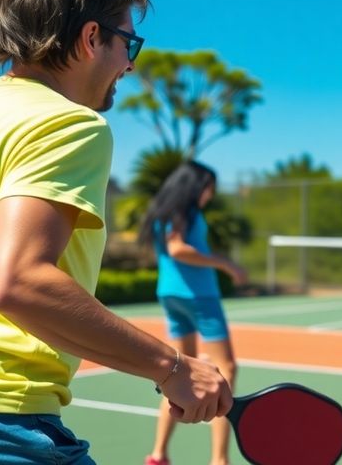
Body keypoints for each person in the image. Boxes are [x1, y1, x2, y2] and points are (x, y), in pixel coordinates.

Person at [0, 0, 232, 463]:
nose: (130, 64)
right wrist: (172, 367)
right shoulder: (68, 124)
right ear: (92, 38)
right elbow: (18, 280)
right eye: (128, 43)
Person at [139, 161, 247, 465]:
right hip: (199, 295)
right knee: (227, 370)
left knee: (176, 371)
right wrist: (225, 263)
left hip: (170, 294)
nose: (210, 195)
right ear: (196, 185)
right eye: (209, 187)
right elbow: (178, 249)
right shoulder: (185, 212)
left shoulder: (164, 210)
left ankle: (158, 454)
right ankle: (220, 460)